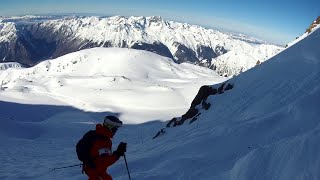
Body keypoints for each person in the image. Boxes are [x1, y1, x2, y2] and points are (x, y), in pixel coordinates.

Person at [83, 115, 127, 180]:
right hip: (96, 171)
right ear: (110, 127)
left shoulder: (101, 136)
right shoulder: (102, 141)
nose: (115, 131)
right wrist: (118, 153)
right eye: (115, 129)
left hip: (95, 171)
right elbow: (104, 162)